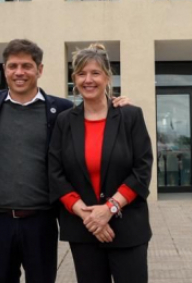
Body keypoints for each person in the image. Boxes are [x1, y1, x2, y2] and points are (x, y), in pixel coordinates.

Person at [0, 39, 128, 283]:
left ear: (39, 70)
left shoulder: (61, 110)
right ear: (4, 69)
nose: (19, 72)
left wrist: (118, 104)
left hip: (41, 221)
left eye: (26, 66)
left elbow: (96, 116)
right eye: (12, 66)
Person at [48, 43, 153, 283]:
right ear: (74, 78)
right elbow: (55, 173)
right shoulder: (65, 121)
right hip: (84, 230)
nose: (88, 80)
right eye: (82, 73)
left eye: (95, 73)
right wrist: (89, 217)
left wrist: (109, 209)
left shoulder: (130, 116)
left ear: (107, 77)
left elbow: (142, 169)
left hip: (128, 229)